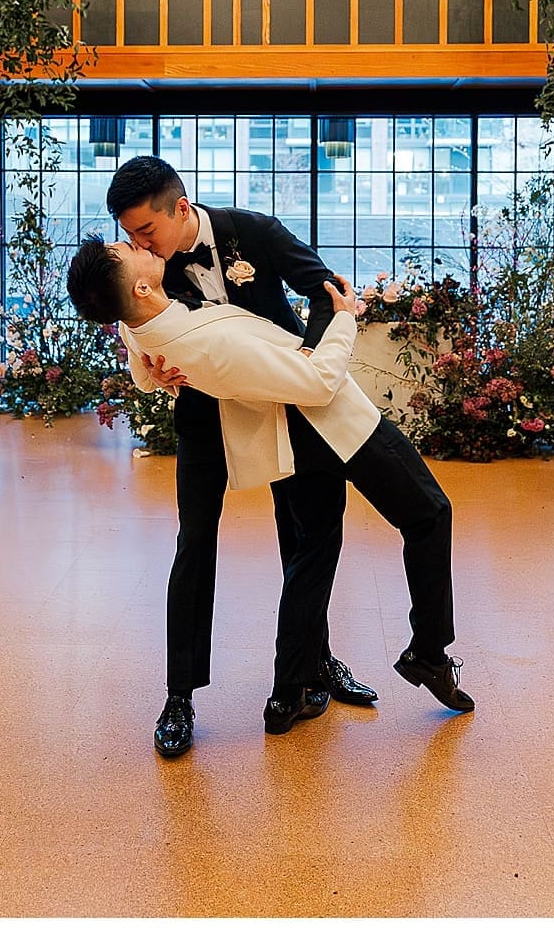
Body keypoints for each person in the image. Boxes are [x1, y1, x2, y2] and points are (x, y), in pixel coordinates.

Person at [66, 233, 475, 734]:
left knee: (313, 548)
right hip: (329, 418)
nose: (138, 243)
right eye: (129, 247)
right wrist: (345, 317)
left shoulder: (143, 324)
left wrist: (151, 373)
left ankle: (290, 691)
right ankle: (424, 654)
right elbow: (317, 383)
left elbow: (141, 358)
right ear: (142, 288)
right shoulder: (204, 343)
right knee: (428, 512)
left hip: (293, 431)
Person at [103, 156, 373, 756]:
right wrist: (153, 373)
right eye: (129, 235)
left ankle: (315, 661)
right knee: (194, 544)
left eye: (145, 231)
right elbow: (139, 344)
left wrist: (306, 361)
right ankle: (179, 696)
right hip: (203, 419)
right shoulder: (146, 272)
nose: (138, 244)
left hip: (281, 406)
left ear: (180, 208)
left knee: (303, 537)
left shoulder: (253, 231)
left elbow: (325, 290)